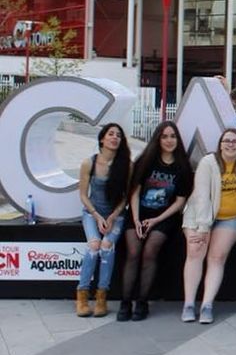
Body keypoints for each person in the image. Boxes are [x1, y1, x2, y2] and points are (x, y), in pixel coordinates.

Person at [181, 128, 236, 324]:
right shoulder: (209, 162)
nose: (231, 144)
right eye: (227, 141)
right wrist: (203, 228)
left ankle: (207, 305)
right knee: (195, 250)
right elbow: (201, 197)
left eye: (235, 142)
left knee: (216, 256)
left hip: (232, 218)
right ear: (220, 144)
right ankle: (189, 304)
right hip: (199, 216)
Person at [118, 121, 193, 322]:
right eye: (165, 136)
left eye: (173, 136)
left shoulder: (182, 167)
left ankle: (142, 302)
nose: (169, 140)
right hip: (138, 214)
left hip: (164, 218)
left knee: (150, 251)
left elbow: (180, 201)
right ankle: (125, 302)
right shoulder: (146, 161)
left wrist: (156, 220)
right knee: (133, 252)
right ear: (158, 139)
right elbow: (134, 192)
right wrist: (136, 219)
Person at [75, 123, 132, 318]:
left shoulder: (126, 164)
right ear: (102, 139)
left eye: (118, 135)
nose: (115, 137)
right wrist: (98, 216)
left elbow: (126, 196)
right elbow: (83, 195)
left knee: (107, 246)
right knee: (94, 245)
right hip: (92, 213)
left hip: (116, 214)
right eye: (110, 134)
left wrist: (113, 215)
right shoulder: (88, 163)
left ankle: (101, 296)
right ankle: (82, 295)